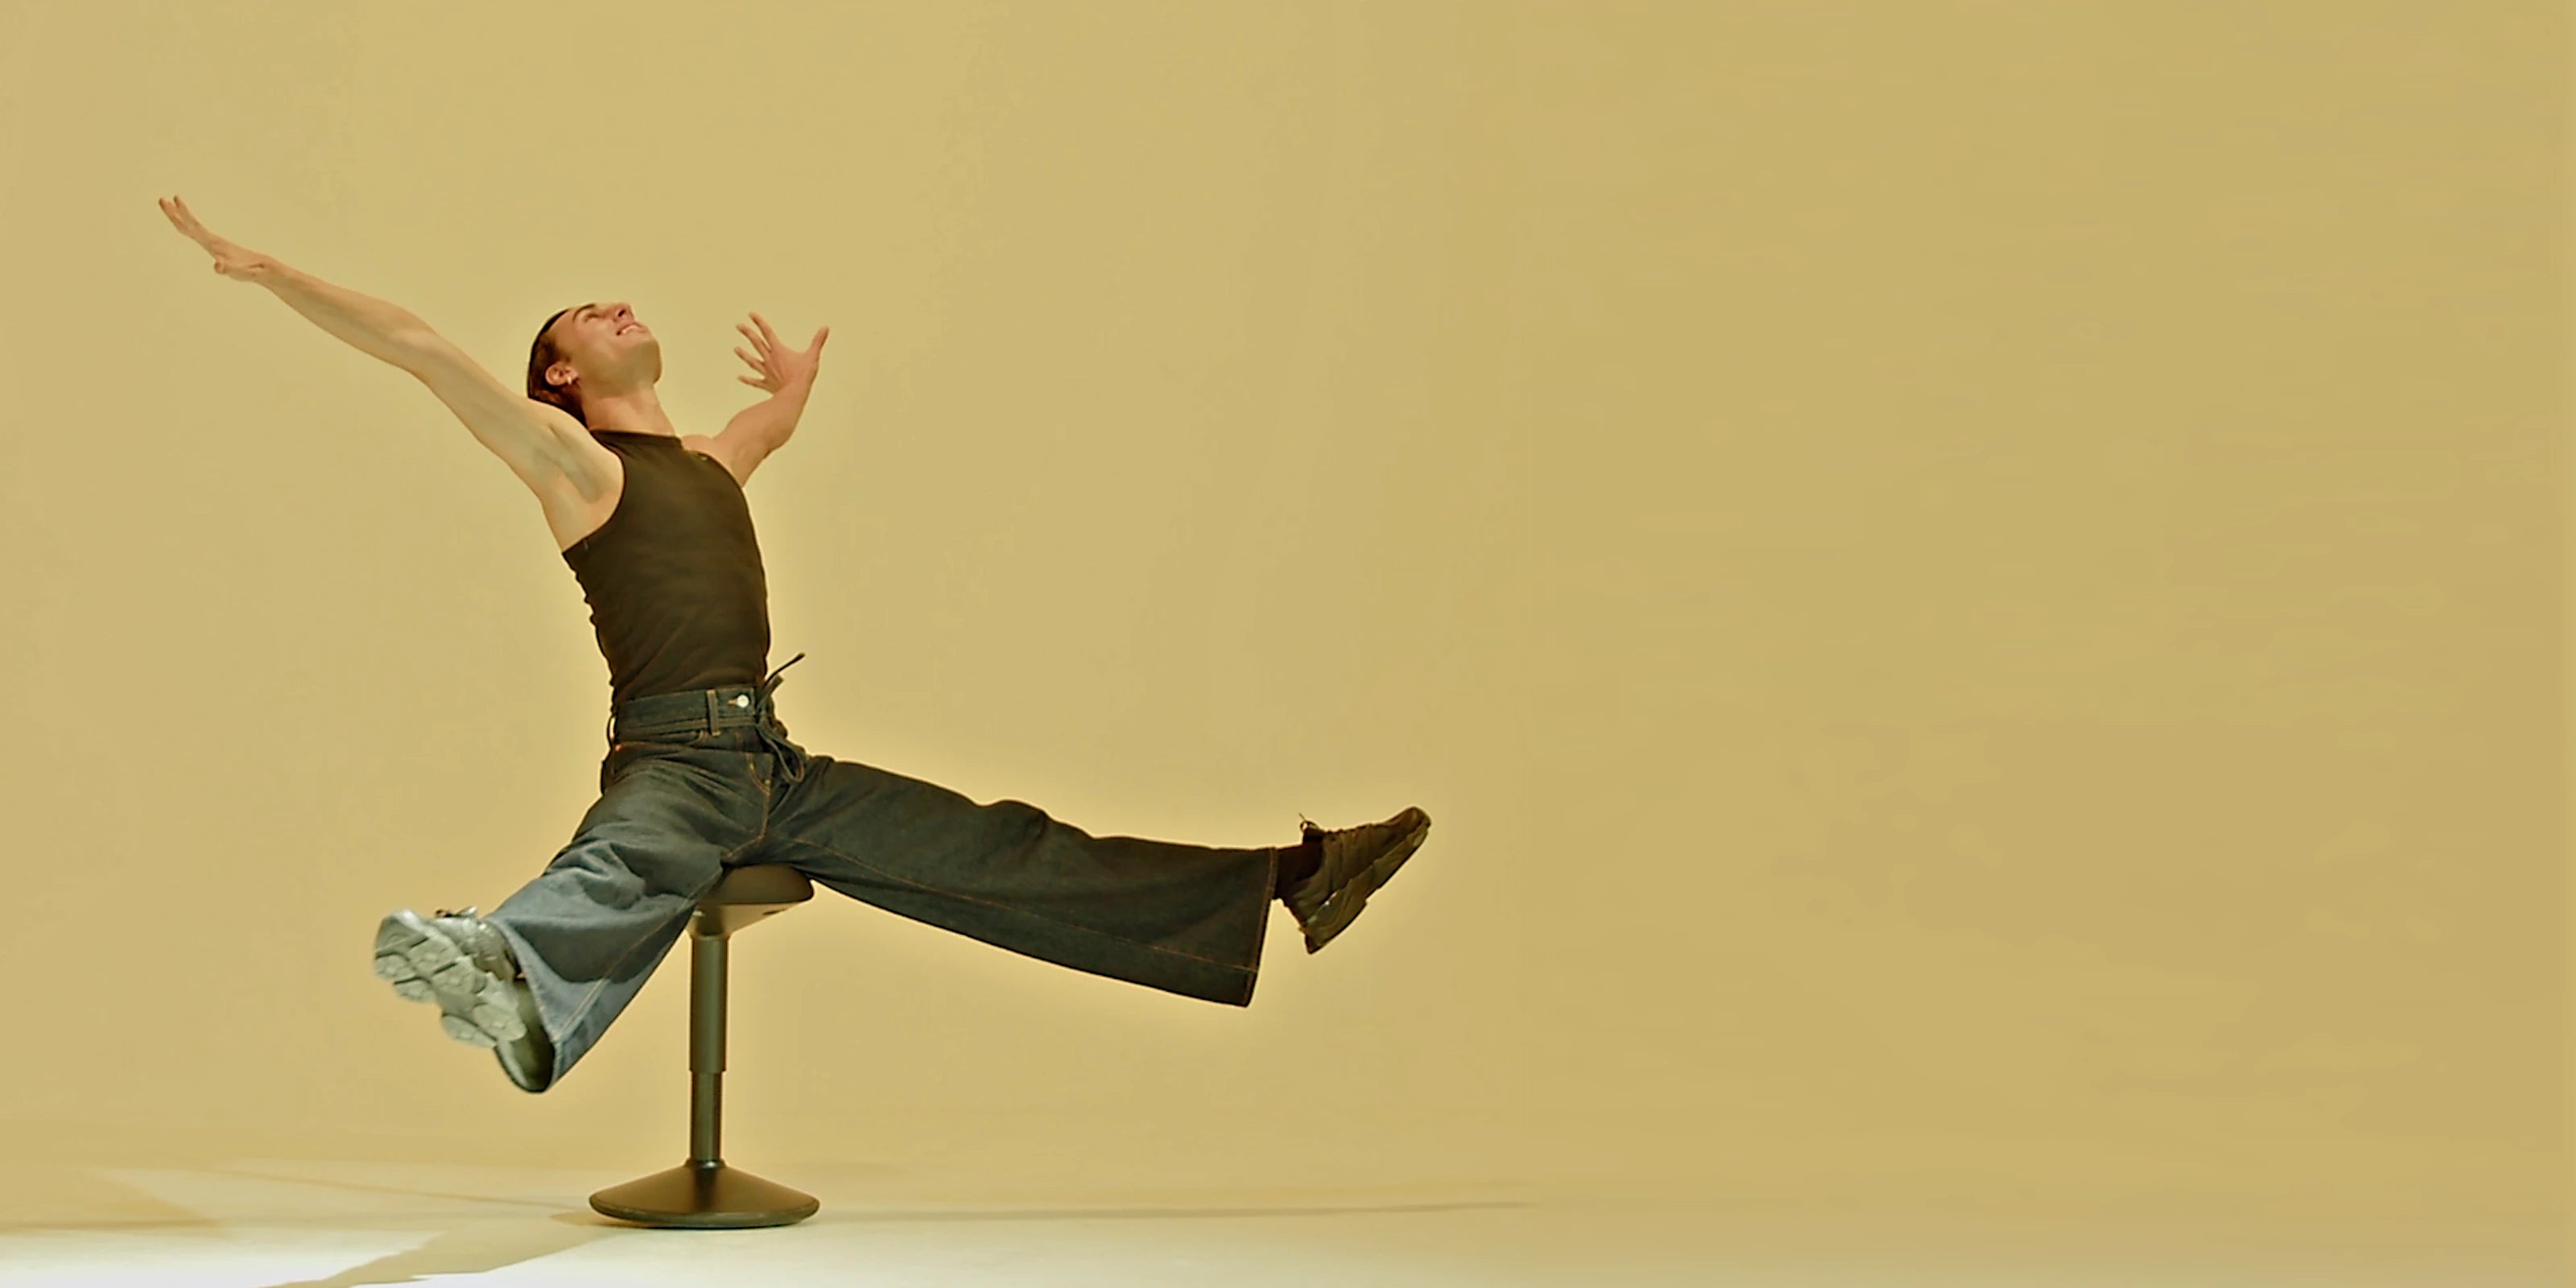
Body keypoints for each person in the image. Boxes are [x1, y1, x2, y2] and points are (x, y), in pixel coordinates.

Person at [157, 196, 1433, 1093]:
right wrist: (276, 274)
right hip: (674, 764)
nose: (616, 305)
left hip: (782, 769)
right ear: (555, 377)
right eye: (586, 317)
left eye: (618, 301)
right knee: (624, 860)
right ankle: (500, 969)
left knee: (1011, 846)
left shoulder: (714, 456)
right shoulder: (576, 465)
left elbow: (770, 430)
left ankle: (1287, 881)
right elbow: (423, 350)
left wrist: (792, 390)